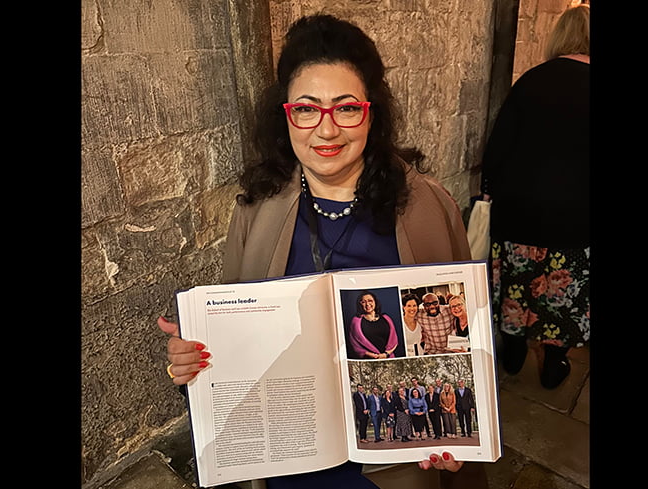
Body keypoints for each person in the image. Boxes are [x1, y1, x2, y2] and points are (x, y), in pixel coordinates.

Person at [157, 13, 483, 488]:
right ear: (285, 115)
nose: (326, 131)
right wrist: (193, 358)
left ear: (371, 112)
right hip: (289, 455)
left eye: (346, 108)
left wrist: (463, 433)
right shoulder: (257, 209)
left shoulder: (427, 207)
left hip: (392, 464)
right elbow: (234, 341)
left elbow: (463, 339)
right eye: (307, 109)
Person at [470, 4, 590, 390]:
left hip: (519, 210)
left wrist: (487, 191)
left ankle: (516, 348)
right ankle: (554, 361)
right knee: (562, 293)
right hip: (577, 219)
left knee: (518, 285)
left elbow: (500, 144)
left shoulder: (531, 81)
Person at [349, 291, 399, 359]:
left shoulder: (386, 318)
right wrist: (373, 355)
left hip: (388, 358)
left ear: (375, 302)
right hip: (369, 360)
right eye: (363, 302)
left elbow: (394, 340)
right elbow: (355, 345)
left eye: (370, 301)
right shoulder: (356, 321)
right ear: (360, 304)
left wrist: (386, 354)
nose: (367, 304)